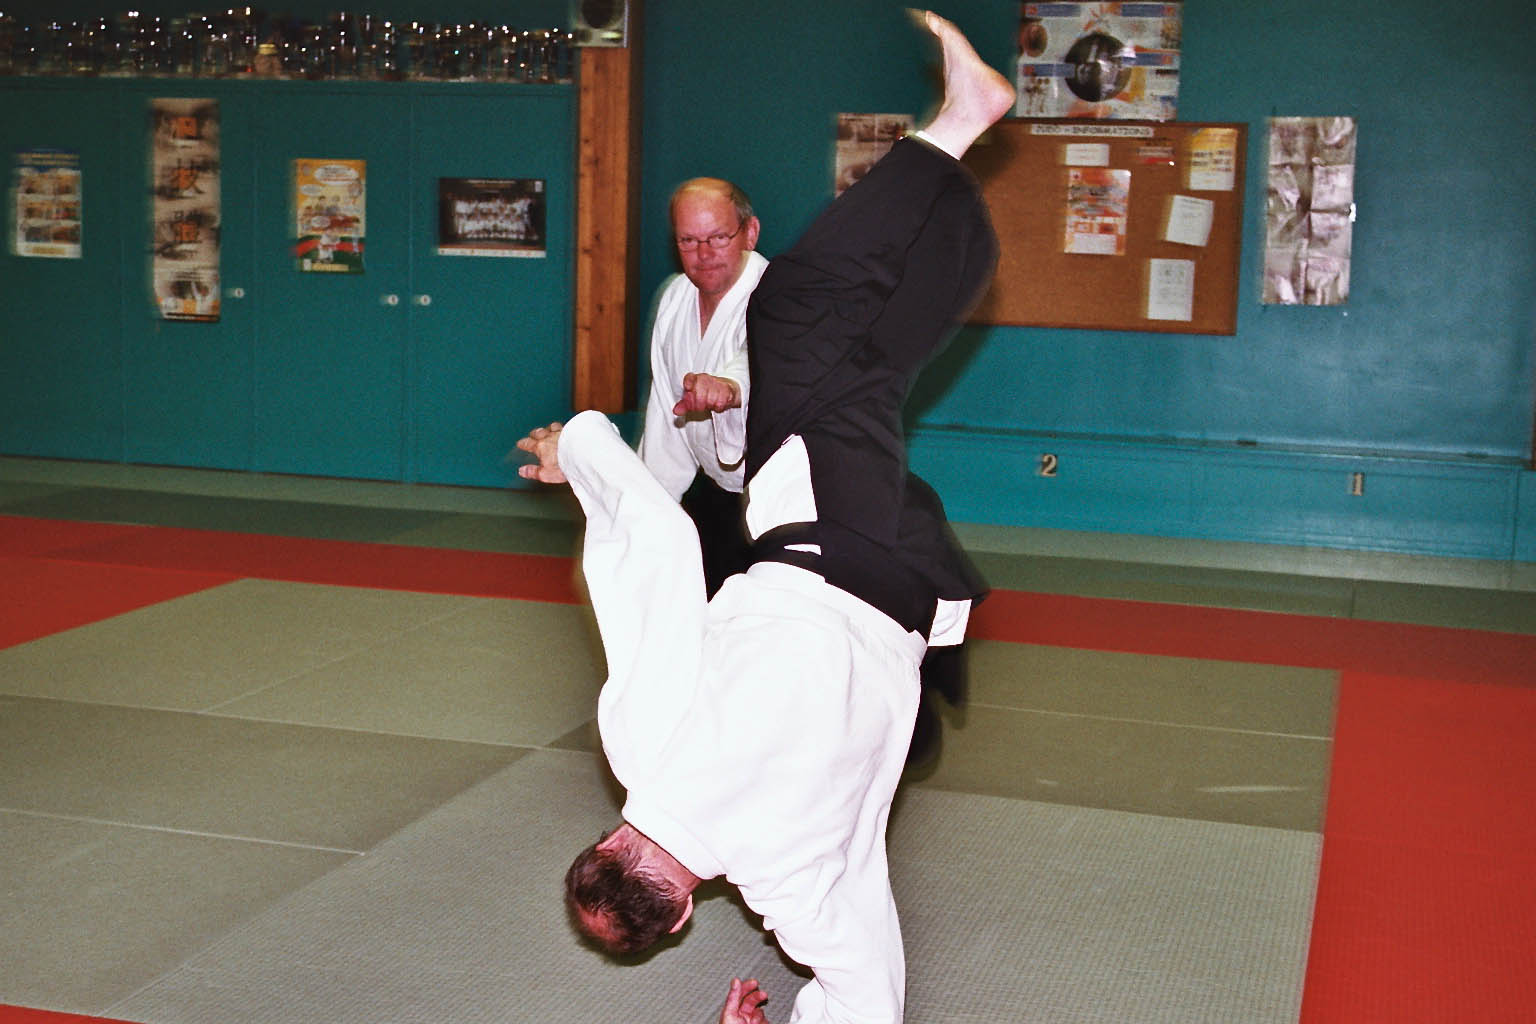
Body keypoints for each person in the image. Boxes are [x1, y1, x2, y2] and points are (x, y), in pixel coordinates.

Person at [517, 12, 1014, 1023]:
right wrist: (585, 451)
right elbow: (657, 549)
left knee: (861, 365)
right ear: (610, 842)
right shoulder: (644, 751)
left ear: (682, 916)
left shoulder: (790, 888)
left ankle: (959, 214)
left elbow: (868, 995)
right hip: (823, 540)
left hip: (911, 596)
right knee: (791, 311)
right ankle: (962, 125)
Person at [638, 176, 767, 596]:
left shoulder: (777, 296)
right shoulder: (676, 297)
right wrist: (653, 505)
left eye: (718, 238)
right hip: (716, 491)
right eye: (688, 241)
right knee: (687, 599)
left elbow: (756, 358)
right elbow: (666, 412)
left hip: (783, 500)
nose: (704, 254)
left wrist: (730, 386)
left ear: (750, 233)